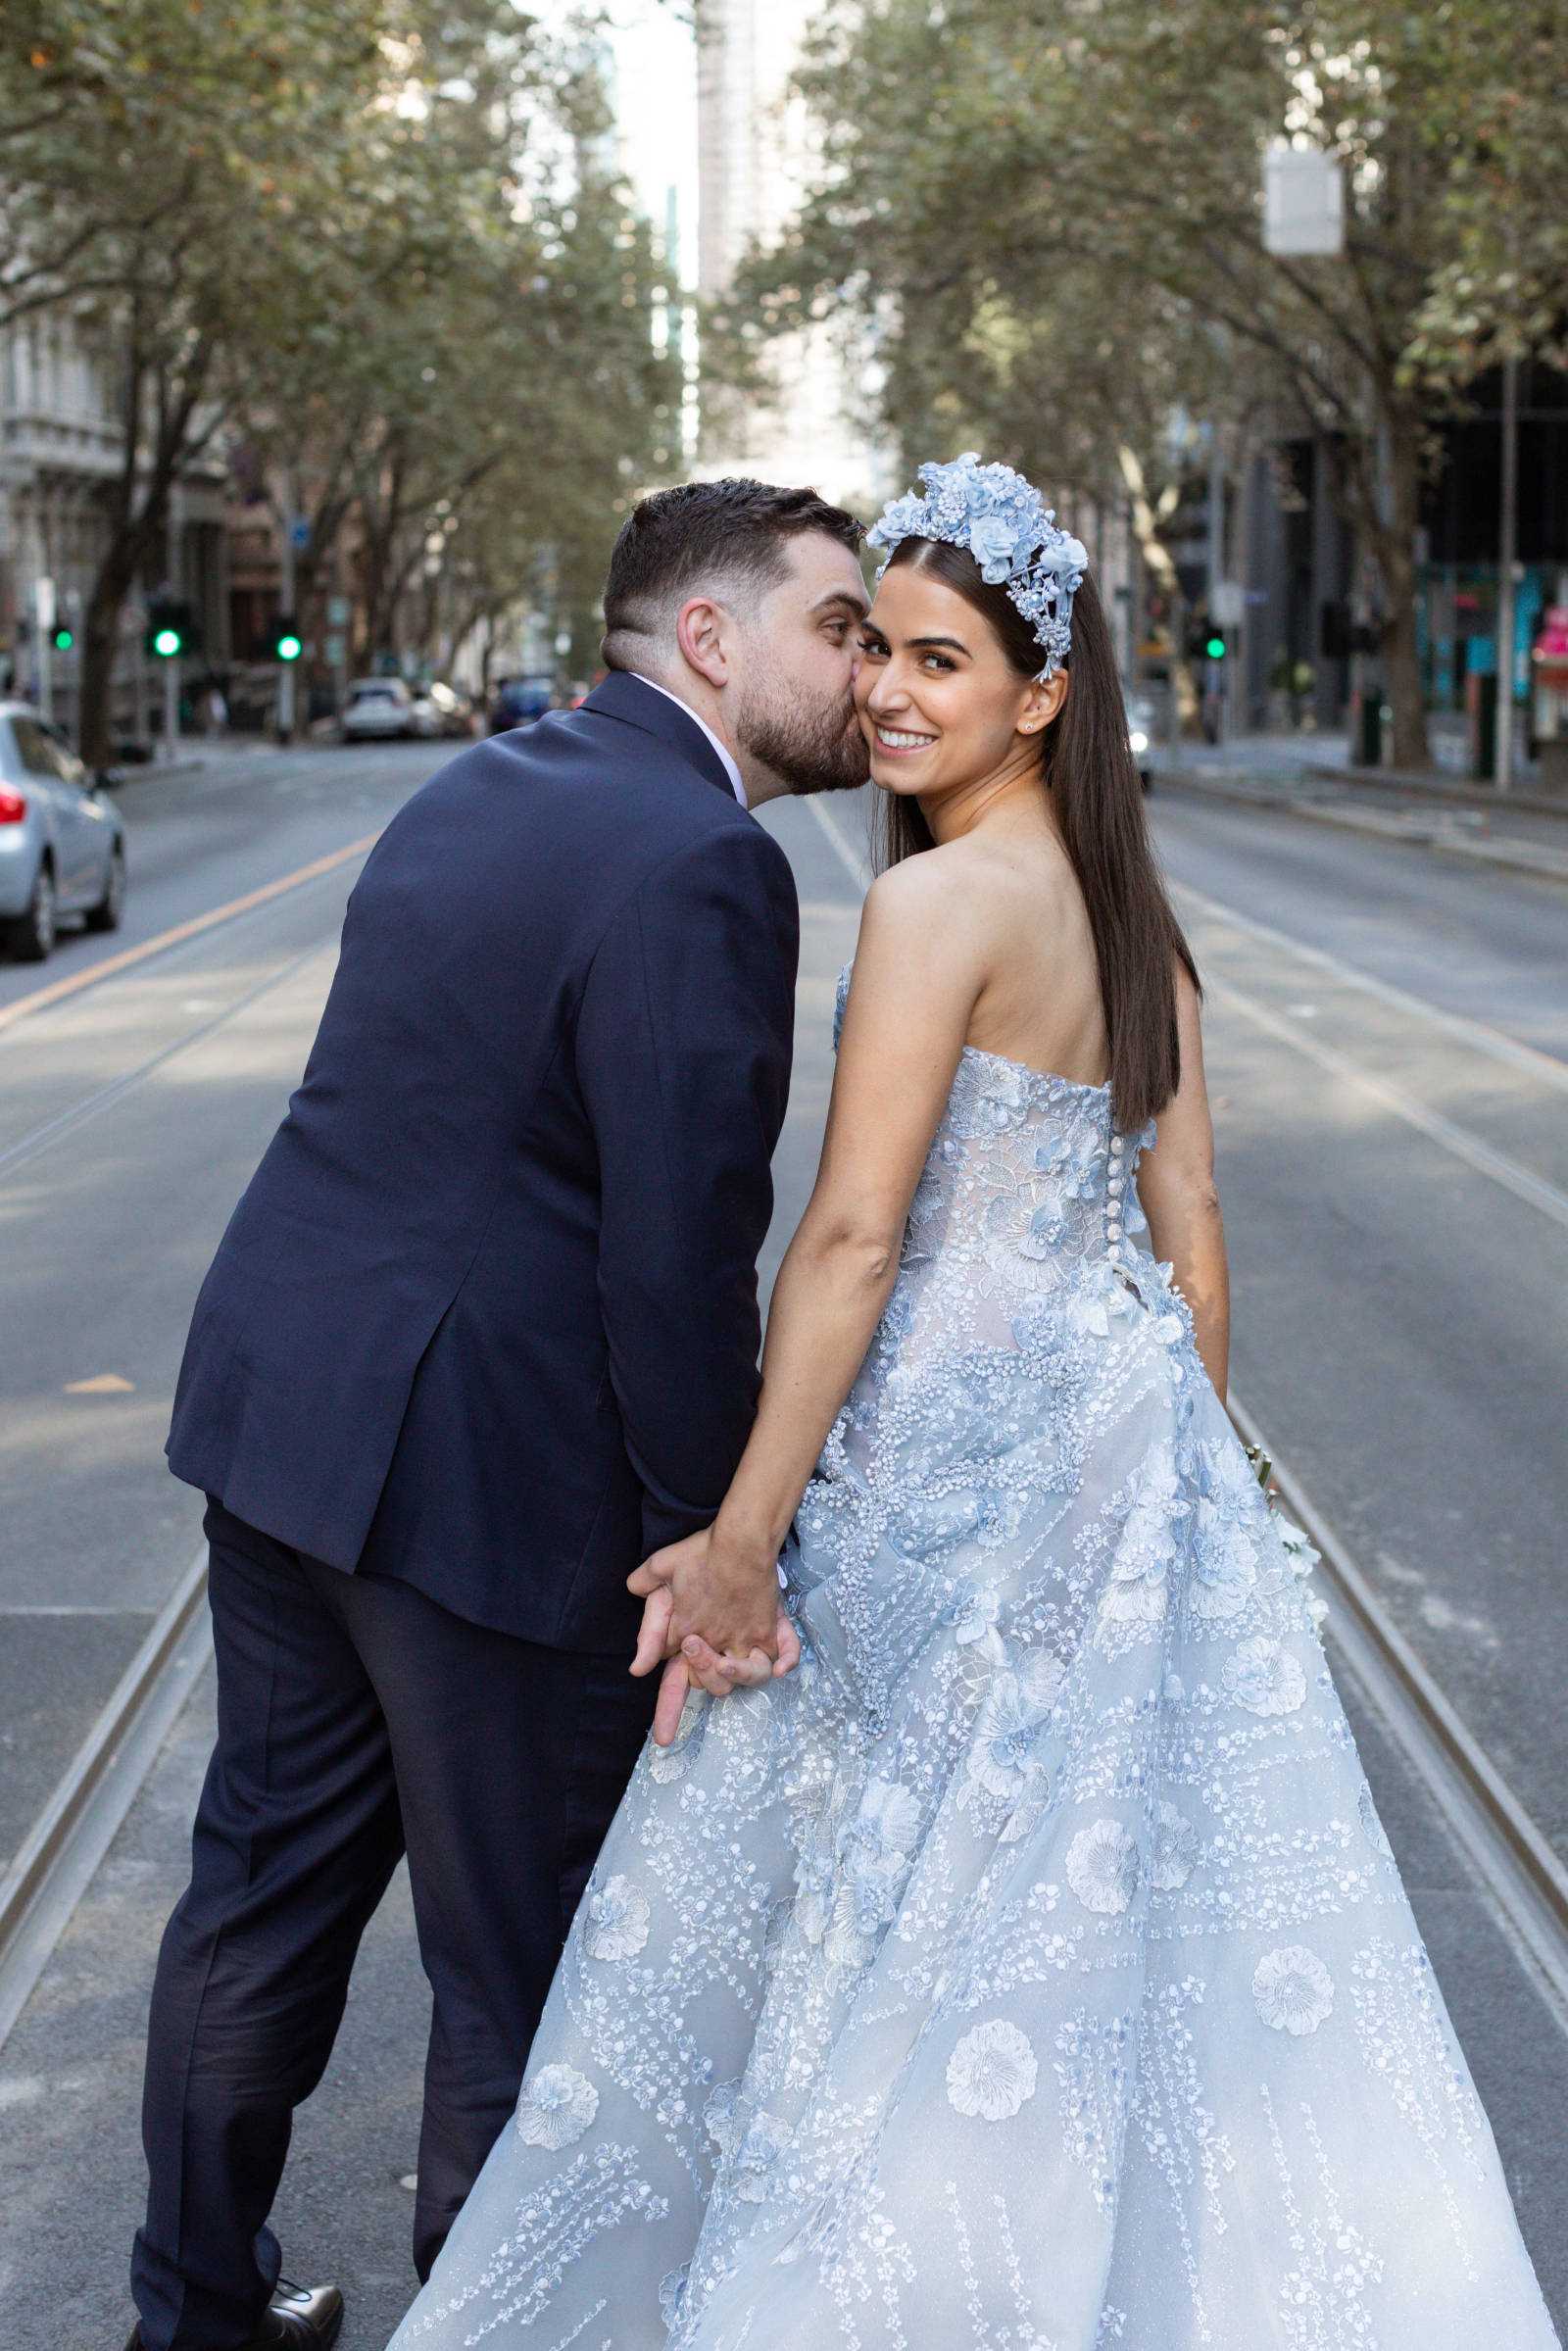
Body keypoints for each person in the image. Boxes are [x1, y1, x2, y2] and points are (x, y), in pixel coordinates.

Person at [388, 456, 1559, 2349]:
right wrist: (1158, 1492)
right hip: (1109, 1473)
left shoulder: (936, 918)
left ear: (1042, 696)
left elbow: (849, 1243)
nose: (891, 696)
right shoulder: (1136, 928)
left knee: (886, 1915)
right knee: (1086, 1937)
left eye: (941, 663)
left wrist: (745, 1535)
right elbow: (1191, 1242)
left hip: (935, 1474)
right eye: (881, 659)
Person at [122, 479, 871, 2351]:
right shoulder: (709, 864)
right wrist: (715, 1540)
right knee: (516, 1962)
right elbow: (673, 1258)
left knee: (261, 1897)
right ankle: (493, 2326)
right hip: (490, 1487)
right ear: (711, 636)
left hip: (290, 1428)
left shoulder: (479, 783)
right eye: (841, 625)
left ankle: (189, 2319)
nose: (867, 668)